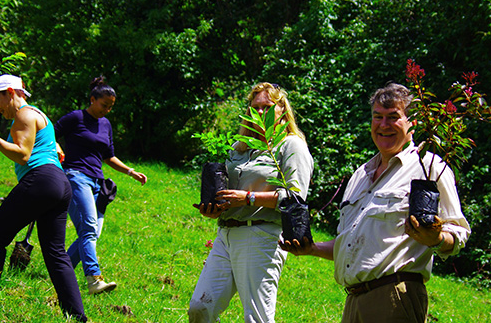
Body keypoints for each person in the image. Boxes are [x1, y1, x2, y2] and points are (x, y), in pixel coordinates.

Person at [280, 82, 471, 323]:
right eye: (377, 117)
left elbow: (458, 232)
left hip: (394, 298)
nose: (383, 125)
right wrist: (312, 249)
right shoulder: (361, 175)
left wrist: (436, 238)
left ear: (412, 122)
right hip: (353, 301)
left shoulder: (429, 167)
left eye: (393, 117)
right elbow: (350, 243)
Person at [188, 82, 314, 323]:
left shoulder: (291, 145)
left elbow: (296, 200)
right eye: (254, 107)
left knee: (257, 318)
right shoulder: (240, 147)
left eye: (267, 107)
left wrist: (248, 198)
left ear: (281, 110)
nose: (259, 112)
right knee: (200, 308)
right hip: (226, 234)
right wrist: (216, 207)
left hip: (260, 235)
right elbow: (227, 189)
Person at [0, 74, 87, 322]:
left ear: (10, 92)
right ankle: (77, 315)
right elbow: (55, 149)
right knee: (55, 253)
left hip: (41, 180)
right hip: (60, 185)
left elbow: (22, 155)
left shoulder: (23, 114)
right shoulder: (41, 116)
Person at [54, 76, 147, 295]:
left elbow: (109, 156)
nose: (107, 110)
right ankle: (94, 279)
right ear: (93, 99)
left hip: (98, 182)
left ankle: (60, 272)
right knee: (88, 228)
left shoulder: (105, 124)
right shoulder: (75, 118)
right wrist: (57, 147)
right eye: (104, 105)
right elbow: (49, 133)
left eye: (111, 107)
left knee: (91, 232)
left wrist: (130, 171)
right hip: (75, 176)